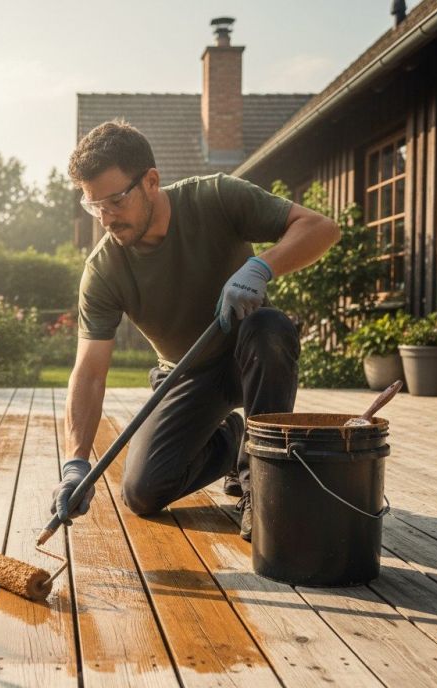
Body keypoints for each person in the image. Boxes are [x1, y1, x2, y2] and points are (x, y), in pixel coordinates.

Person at [51, 121, 340, 540]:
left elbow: (322, 228)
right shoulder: (103, 269)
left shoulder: (215, 197)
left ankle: (261, 492)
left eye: (115, 201)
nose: (105, 219)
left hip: (251, 357)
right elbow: (90, 372)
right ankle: (232, 439)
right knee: (143, 492)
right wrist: (75, 463)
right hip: (186, 374)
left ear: (151, 181)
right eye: (94, 207)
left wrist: (261, 266)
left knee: (270, 329)